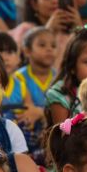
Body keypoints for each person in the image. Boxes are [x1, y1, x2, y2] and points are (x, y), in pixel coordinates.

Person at [9, 0, 82, 71]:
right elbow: (18, 61)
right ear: (34, 4)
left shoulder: (73, 32)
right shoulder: (25, 29)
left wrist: (80, 28)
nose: (55, 1)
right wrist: (47, 30)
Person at [12, 26, 56, 160]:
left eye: (53, 46)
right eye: (42, 45)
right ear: (27, 51)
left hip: (49, 125)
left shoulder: (58, 76)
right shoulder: (19, 77)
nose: (49, 49)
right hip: (28, 128)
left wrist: (41, 113)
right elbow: (23, 110)